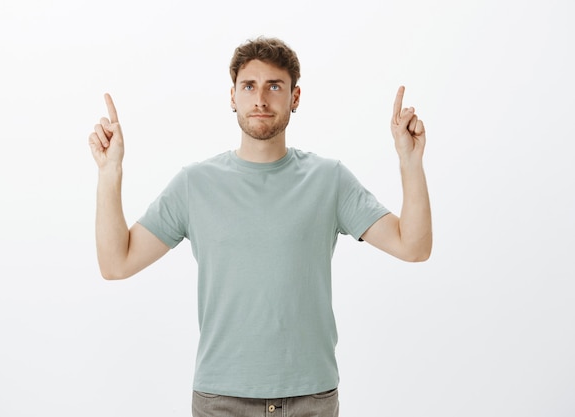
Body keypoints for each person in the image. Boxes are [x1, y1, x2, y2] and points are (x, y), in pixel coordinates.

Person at [88, 36, 431, 417]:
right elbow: (116, 264)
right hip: (221, 399)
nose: (260, 100)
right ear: (232, 96)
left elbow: (413, 247)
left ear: (295, 98)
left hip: (310, 397)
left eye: (274, 86)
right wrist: (110, 171)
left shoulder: (329, 179)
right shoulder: (194, 184)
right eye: (249, 86)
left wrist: (410, 161)